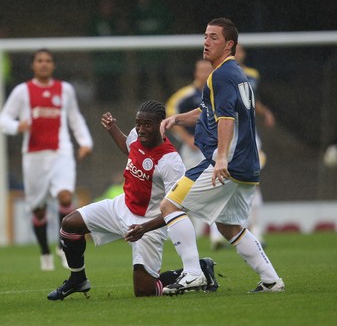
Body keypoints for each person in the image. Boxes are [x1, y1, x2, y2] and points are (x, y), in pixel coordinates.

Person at [128, 18, 285, 295]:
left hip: (227, 164)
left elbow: (225, 118)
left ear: (229, 45)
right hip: (246, 167)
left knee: (170, 206)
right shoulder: (234, 74)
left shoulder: (222, 75)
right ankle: (271, 280)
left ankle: (192, 273)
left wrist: (221, 158)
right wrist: (178, 118)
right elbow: (208, 111)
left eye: (214, 37)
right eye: (205, 36)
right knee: (229, 226)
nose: (206, 41)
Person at [47, 101, 218, 300]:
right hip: (121, 206)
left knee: (144, 292)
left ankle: (201, 269)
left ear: (161, 124)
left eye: (147, 124)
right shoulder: (137, 135)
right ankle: (78, 279)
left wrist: (144, 228)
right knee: (69, 224)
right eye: (138, 123)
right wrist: (112, 129)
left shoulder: (171, 162)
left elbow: (178, 209)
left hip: (149, 222)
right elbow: (130, 147)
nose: (141, 129)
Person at [0, 49, 93, 271]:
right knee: (39, 209)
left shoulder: (65, 89)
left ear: (53, 65)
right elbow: (4, 118)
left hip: (61, 151)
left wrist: (85, 141)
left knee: (64, 196)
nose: (44, 64)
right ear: (33, 65)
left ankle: (62, 247)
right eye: (39, 61)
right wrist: (16, 126)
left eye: (48, 61)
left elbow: (75, 117)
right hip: (33, 156)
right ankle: (44, 252)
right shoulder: (23, 91)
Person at [209, 44, 276, 249]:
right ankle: (217, 235)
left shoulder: (252, 75)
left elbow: (252, 100)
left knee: (252, 185)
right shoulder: (218, 75)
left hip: (248, 138)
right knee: (218, 183)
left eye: (241, 50)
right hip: (224, 136)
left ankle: (256, 231)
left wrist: (264, 112)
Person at [166, 58, 213, 237]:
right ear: (196, 73)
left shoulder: (220, 92)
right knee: (185, 189)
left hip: (215, 149)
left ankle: (217, 236)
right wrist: (187, 138)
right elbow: (171, 116)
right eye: (202, 70)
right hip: (193, 150)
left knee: (216, 188)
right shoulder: (185, 95)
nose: (206, 73)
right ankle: (188, 230)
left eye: (209, 69)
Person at [131, 0, 174, 101]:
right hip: (144, 52)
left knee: (162, 75)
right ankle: (140, 100)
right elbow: (132, 28)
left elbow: (169, 24)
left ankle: (170, 98)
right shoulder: (136, 12)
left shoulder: (159, 9)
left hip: (159, 52)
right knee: (143, 76)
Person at [88, 0, 128, 102]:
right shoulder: (96, 21)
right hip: (101, 59)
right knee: (102, 82)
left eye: (109, 5)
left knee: (114, 82)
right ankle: (101, 103)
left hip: (114, 58)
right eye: (104, 5)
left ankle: (115, 103)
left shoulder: (117, 20)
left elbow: (122, 36)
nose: (107, 8)